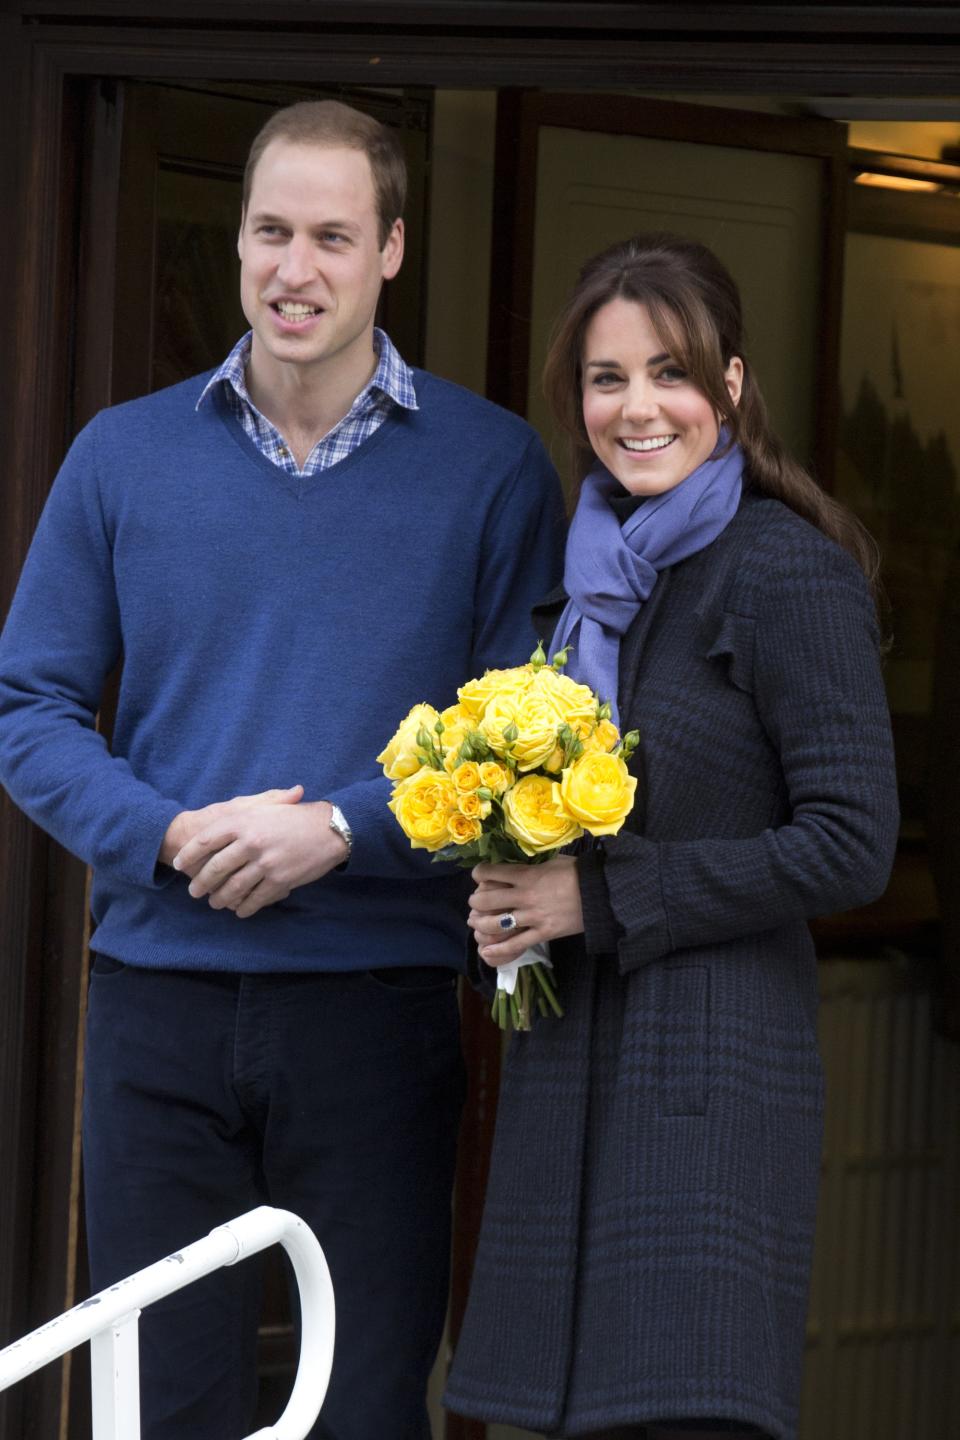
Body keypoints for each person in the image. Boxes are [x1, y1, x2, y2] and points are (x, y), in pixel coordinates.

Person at [0, 100, 564, 1439]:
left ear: (392, 251)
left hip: (375, 1009)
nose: (293, 267)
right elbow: (29, 708)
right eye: (270, 231)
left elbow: (528, 738)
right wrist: (166, 832)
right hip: (157, 1007)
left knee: (359, 1404)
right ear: (241, 239)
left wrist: (344, 832)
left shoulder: (490, 470)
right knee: (155, 1403)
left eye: (331, 234)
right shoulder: (121, 457)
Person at [443, 234, 900, 1440]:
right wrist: (501, 883)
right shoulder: (576, 592)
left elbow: (853, 843)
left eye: (670, 373)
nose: (636, 407)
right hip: (561, 1093)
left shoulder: (786, 574)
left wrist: (601, 898)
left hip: (704, 1101)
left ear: (733, 388)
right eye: (606, 378)